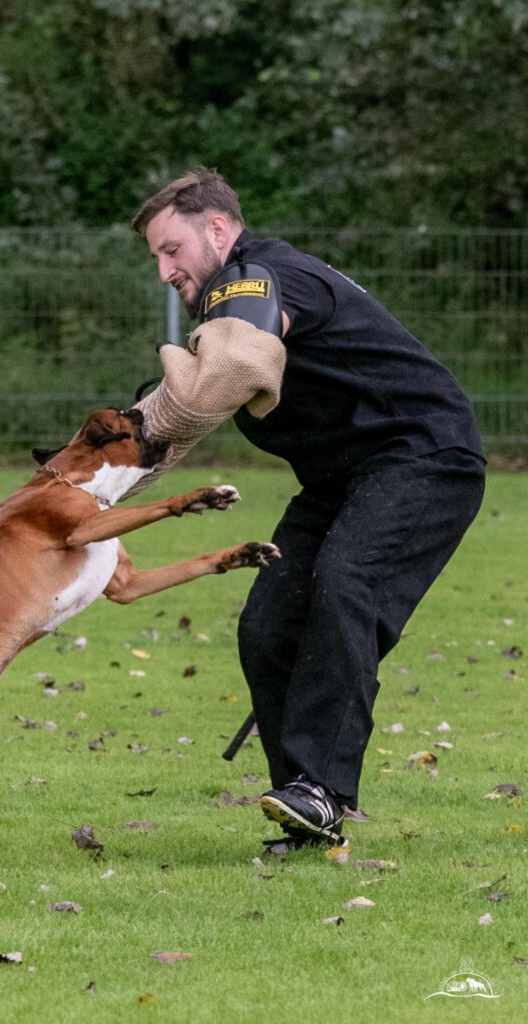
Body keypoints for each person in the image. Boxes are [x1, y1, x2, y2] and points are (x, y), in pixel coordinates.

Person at [130, 167, 486, 849]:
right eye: (155, 256)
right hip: (342, 478)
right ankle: (300, 805)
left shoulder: (262, 274)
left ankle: (321, 790)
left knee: (345, 580)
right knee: (268, 622)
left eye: (170, 250)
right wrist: (81, 480)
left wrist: (133, 451)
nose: (163, 271)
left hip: (423, 456)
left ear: (215, 229)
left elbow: (229, 368)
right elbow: (187, 402)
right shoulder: (235, 294)